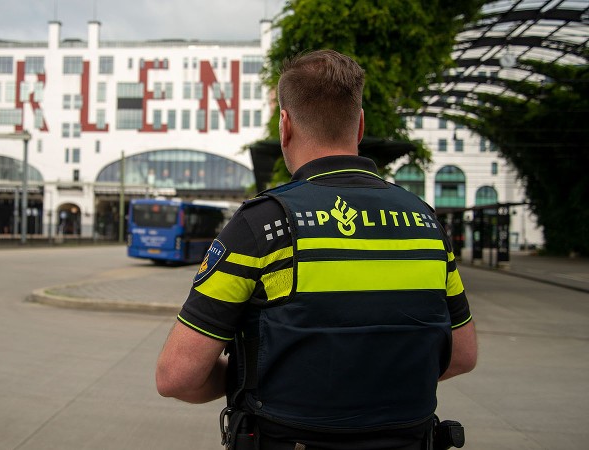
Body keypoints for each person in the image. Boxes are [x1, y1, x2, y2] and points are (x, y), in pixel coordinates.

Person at [156, 50, 477, 450]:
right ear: (359, 125)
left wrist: (248, 375)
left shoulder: (262, 225)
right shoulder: (427, 224)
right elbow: (463, 355)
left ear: (285, 125)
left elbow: (177, 376)